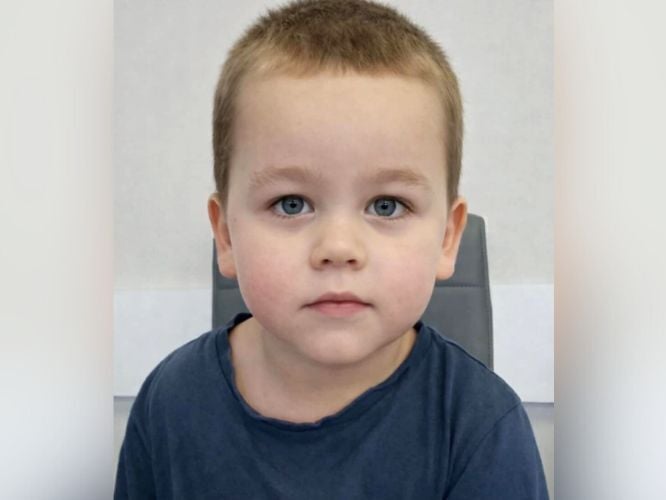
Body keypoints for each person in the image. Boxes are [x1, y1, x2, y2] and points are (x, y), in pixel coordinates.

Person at [115, 0, 549, 498]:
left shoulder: (484, 429)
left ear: (448, 238)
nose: (339, 248)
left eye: (386, 206)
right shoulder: (168, 403)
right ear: (226, 236)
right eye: (291, 204)